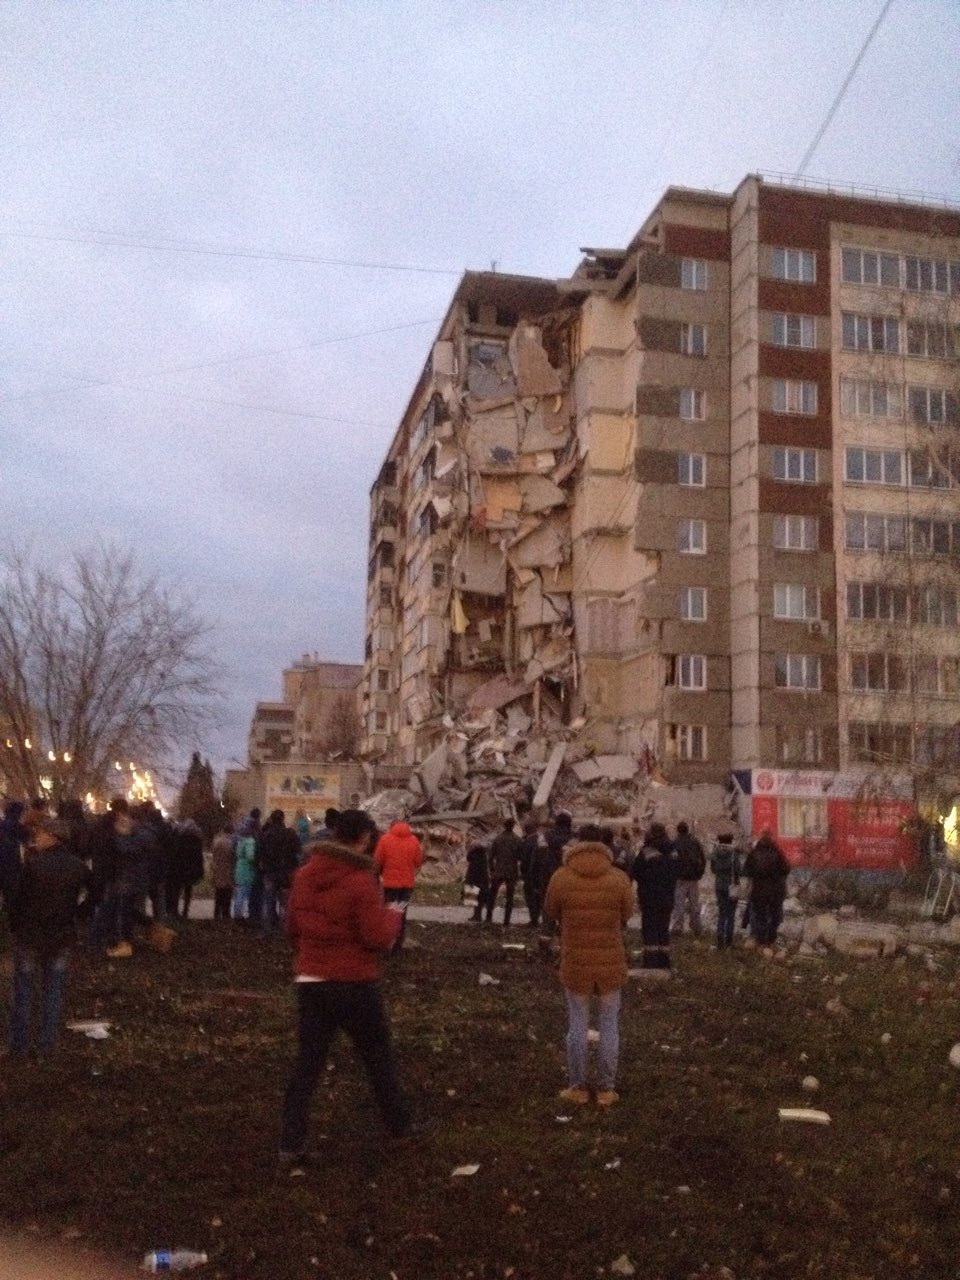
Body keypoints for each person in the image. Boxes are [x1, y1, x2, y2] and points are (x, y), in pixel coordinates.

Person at [278, 809, 426, 1172]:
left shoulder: (303, 875)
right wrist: (393, 915)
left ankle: (290, 1142)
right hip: (355, 984)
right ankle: (401, 1127)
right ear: (363, 838)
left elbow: (292, 928)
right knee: (377, 1057)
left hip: (312, 982)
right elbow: (375, 938)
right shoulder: (360, 881)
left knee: (307, 1064)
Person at [543, 824, 635, 1107]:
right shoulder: (619, 878)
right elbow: (627, 913)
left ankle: (578, 1087)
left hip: (576, 962)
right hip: (610, 962)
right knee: (609, 1026)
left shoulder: (561, 877)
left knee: (577, 1025)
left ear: (577, 843)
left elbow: (550, 911)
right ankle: (606, 1089)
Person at [7, 815, 92, 1058]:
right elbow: (96, 892)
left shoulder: (33, 865)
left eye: (41, 834)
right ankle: (47, 1045)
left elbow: (17, 901)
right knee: (53, 992)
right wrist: (78, 912)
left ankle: (19, 1046)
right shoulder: (78, 866)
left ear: (54, 837)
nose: (37, 837)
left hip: (31, 935)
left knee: (24, 990)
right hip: (62, 936)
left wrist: (17, 926)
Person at [632, 823, 680, 970]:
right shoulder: (673, 852)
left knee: (650, 928)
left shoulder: (646, 852)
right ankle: (664, 961)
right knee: (663, 928)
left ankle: (650, 962)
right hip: (667, 896)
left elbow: (636, 872)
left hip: (649, 896)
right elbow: (679, 870)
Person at [373, 818, 423, 950]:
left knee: (389, 912)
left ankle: (387, 942)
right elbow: (418, 862)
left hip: (390, 885)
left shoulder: (385, 839)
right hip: (407, 886)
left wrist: (377, 875)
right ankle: (398, 944)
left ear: (391, 826)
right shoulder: (414, 840)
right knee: (401, 913)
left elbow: (377, 861)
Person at [743, 829, 791, 949]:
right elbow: (786, 869)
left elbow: (746, 871)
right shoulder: (777, 852)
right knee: (775, 916)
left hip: (759, 890)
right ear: (772, 839)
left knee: (760, 916)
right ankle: (770, 940)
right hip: (776, 891)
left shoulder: (754, 853)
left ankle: (761, 940)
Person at [256, 809, 301, 934]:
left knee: (269, 900)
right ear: (283, 819)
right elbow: (298, 852)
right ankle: (285, 927)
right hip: (286, 872)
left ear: (271, 819)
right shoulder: (290, 834)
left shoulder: (265, 834)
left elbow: (259, 853)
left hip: (269, 871)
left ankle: (268, 928)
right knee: (286, 902)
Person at [671, 821, 706, 936]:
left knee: (678, 905)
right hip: (693, 878)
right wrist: (699, 873)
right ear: (687, 830)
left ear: (678, 830)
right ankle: (696, 927)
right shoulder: (695, 842)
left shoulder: (675, 843)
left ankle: (677, 927)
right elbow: (702, 858)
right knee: (694, 904)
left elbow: (672, 861)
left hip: (680, 878)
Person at [485, 818, 522, 927]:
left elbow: (490, 857)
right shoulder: (517, 840)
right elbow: (520, 857)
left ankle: (488, 918)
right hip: (511, 871)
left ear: (504, 826)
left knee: (492, 894)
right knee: (509, 897)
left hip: (499, 870)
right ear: (513, 826)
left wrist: (492, 870)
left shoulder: (498, 839)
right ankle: (506, 921)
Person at [709, 831, 743, 949]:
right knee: (731, 914)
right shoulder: (734, 854)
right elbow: (739, 870)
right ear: (730, 841)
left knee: (722, 912)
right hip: (732, 887)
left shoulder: (715, 853)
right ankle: (728, 941)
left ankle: (720, 940)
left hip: (719, 886)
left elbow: (713, 870)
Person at [165, 820, 205, 919]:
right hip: (191, 869)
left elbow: (175, 854)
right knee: (188, 890)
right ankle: (185, 911)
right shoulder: (197, 840)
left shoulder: (179, 839)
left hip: (179, 868)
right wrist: (200, 870)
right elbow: (199, 857)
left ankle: (174, 910)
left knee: (177, 890)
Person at [0, 800, 28, 919]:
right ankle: (12, 916)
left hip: (5, 859)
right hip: (10, 861)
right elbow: (25, 837)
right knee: (11, 890)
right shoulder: (16, 825)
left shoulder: (3, 823)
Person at [232, 815, 259, 922]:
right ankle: (241, 916)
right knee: (245, 893)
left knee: (239, 892)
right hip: (247, 870)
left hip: (239, 867)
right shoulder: (250, 841)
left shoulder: (239, 838)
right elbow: (250, 857)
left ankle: (237, 914)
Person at [518, 818, 543, 927]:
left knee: (530, 897)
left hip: (529, 874)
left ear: (525, 830)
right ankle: (539, 918)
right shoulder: (541, 839)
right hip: (541, 873)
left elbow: (524, 859)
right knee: (540, 897)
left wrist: (523, 873)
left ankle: (534, 920)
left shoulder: (527, 842)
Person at [209, 826, 234, 921]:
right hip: (228, 869)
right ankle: (226, 913)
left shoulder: (217, 841)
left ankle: (216, 913)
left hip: (218, 868)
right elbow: (232, 857)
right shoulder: (231, 843)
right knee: (227, 893)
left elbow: (213, 854)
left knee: (218, 892)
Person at [463, 841, 489, 923]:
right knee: (480, 899)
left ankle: (476, 915)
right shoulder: (484, 856)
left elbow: (468, 858)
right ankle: (478, 915)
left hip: (473, 879)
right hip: (483, 880)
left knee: (473, 898)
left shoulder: (473, 855)